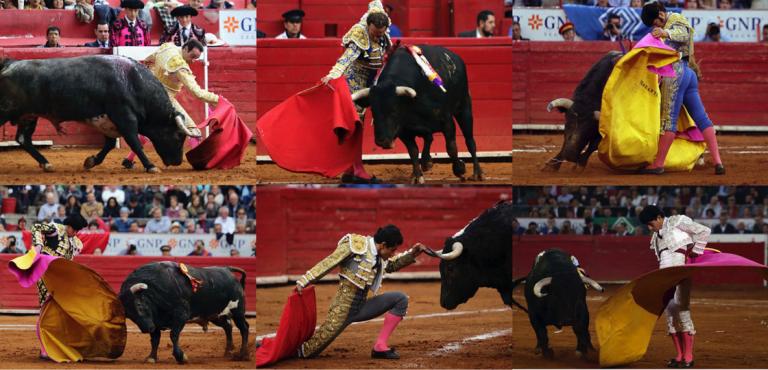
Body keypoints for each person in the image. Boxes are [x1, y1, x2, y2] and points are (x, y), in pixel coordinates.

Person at [295, 225, 426, 359]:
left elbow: (391, 265)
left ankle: (380, 347)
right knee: (306, 352)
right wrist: (305, 280)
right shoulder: (356, 245)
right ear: (383, 245)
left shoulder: (380, 256)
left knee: (400, 299)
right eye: (392, 250)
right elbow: (330, 262)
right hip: (342, 310)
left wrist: (412, 254)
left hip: (362, 307)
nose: (393, 254)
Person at [639, 2, 724, 175]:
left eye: (655, 23)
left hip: (675, 72)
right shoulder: (668, 23)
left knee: (668, 119)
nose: (656, 26)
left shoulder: (675, 19)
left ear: (661, 15)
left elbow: (683, 34)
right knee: (701, 118)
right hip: (687, 72)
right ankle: (718, 163)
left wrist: (665, 32)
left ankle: (658, 164)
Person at [319, 0, 391, 184]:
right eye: (375, 33)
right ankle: (354, 167)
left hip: (372, 80)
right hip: (355, 81)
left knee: (359, 125)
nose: (378, 37)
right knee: (355, 124)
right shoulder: (360, 33)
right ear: (369, 26)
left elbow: (376, 3)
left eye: (381, 34)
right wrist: (332, 75)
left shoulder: (382, 24)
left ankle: (353, 167)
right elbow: (346, 58)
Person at [122, 39, 220, 168]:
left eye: (196, 58)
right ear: (185, 49)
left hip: (149, 94)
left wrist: (150, 71)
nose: (193, 60)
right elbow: (198, 93)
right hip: (165, 99)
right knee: (193, 130)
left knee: (150, 130)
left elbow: (150, 58)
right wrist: (217, 99)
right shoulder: (180, 66)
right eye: (192, 56)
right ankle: (199, 163)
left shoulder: (168, 47)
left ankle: (128, 160)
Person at [639, 205, 710, 368]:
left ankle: (688, 356)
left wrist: (696, 250)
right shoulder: (656, 236)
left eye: (651, 224)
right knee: (670, 313)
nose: (650, 228)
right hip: (664, 275)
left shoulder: (677, 221)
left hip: (680, 272)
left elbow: (704, 231)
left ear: (659, 217)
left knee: (682, 309)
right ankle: (679, 355)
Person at [31, 214, 88, 307]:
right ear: (68, 226)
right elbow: (36, 227)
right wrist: (38, 244)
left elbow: (70, 260)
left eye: (77, 231)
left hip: (61, 274)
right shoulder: (57, 229)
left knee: (62, 301)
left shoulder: (77, 243)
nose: (75, 233)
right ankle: (45, 319)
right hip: (45, 270)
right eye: (73, 230)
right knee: (46, 299)